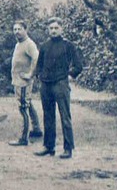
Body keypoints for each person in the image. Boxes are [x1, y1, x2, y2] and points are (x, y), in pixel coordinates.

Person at [34, 17, 83, 159]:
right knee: (48, 116)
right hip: (46, 85)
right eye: (51, 28)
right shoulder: (44, 46)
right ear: (48, 30)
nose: (54, 31)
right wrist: (39, 76)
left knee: (65, 116)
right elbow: (39, 65)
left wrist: (69, 76)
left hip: (60, 84)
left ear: (61, 29)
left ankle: (68, 148)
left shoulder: (68, 46)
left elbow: (78, 65)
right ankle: (49, 147)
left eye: (56, 28)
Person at [8, 21, 43, 147]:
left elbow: (37, 58)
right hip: (18, 80)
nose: (17, 31)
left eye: (19, 29)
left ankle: (23, 138)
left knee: (23, 107)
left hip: (23, 82)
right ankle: (37, 129)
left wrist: (30, 74)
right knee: (28, 104)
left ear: (25, 29)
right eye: (15, 29)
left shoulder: (29, 44)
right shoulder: (19, 43)